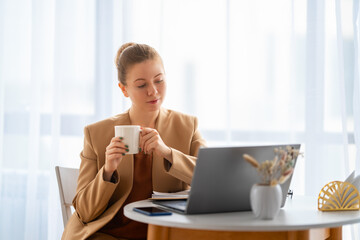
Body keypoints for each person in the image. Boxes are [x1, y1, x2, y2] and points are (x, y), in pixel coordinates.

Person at [62, 43, 206, 240]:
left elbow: (212, 180)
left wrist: (167, 152)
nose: (153, 91)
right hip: (108, 234)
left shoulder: (187, 126)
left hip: (166, 233)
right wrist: (107, 171)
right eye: (141, 85)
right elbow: (85, 213)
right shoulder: (96, 134)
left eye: (159, 80)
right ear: (124, 89)